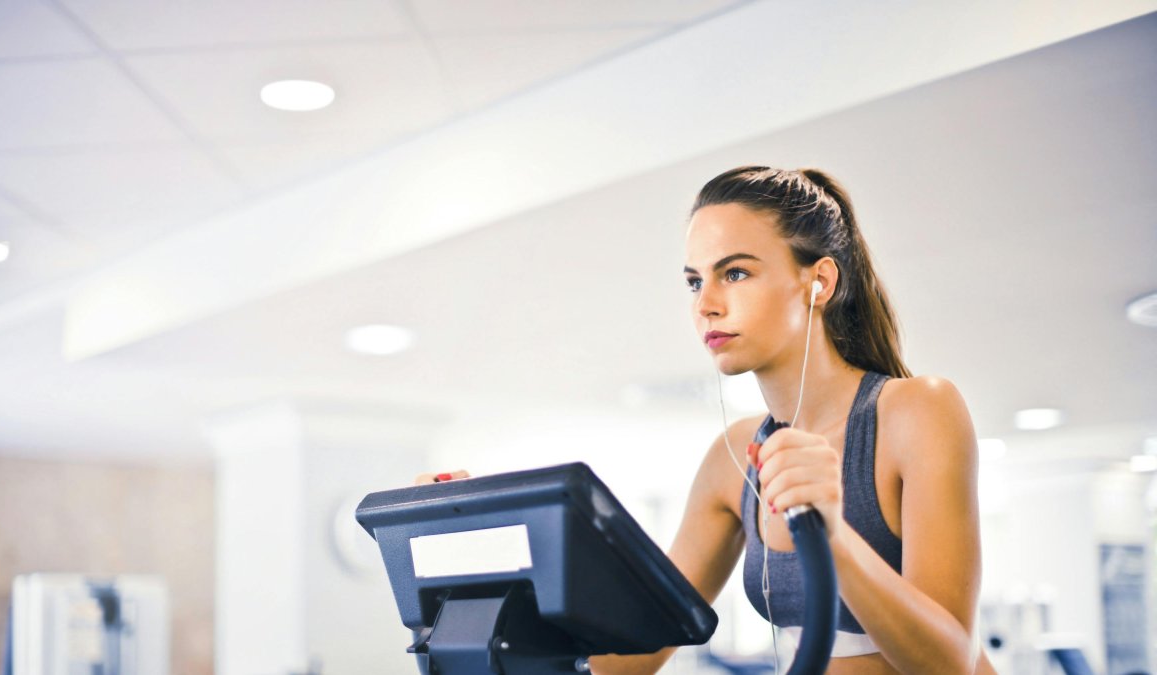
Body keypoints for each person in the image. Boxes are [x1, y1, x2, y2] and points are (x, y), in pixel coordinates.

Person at [419, 166, 994, 674]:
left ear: (818, 281)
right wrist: (478, 556)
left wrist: (833, 534)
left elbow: (950, 663)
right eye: (695, 281)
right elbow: (633, 658)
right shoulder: (734, 457)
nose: (705, 304)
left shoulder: (916, 411)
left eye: (735, 273)